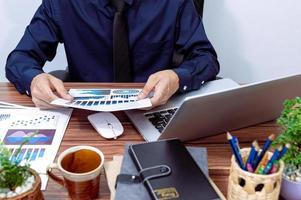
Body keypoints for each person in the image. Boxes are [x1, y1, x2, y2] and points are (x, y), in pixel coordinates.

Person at [5, 0, 219, 108]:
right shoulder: (63, 2)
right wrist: (34, 79)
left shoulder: (173, 2)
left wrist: (177, 77)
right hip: (85, 114)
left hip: (154, 109)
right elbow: (20, 58)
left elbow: (205, 57)